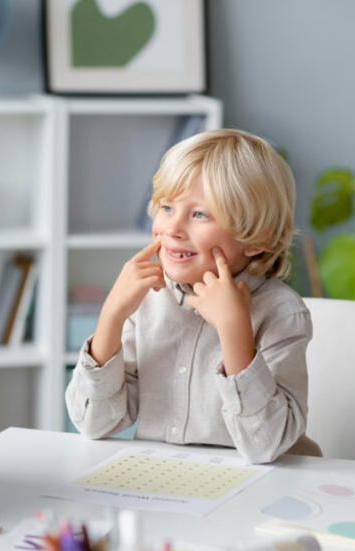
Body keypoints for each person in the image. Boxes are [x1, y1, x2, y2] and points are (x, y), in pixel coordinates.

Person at [65, 129, 322, 464]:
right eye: (167, 207)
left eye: (200, 214)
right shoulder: (148, 300)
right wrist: (112, 315)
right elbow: (93, 423)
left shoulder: (282, 313)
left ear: (257, 239)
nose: (173, 229)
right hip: (170, 480)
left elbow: (266, 446)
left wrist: (234, 329)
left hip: (263, 485)